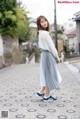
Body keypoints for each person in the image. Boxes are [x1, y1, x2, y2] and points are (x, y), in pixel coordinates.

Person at [36, 15, 62, 101]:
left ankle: (41, 92)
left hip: (45, 55)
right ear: (39, 24)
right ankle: (47, 96)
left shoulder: (41, 33)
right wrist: (57, 57)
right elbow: (52, 47)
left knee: (47, 74)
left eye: (45, 21)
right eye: (42, 22)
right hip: (48, 55)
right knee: (49, 75)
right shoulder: (45, 33)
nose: (44, 23)